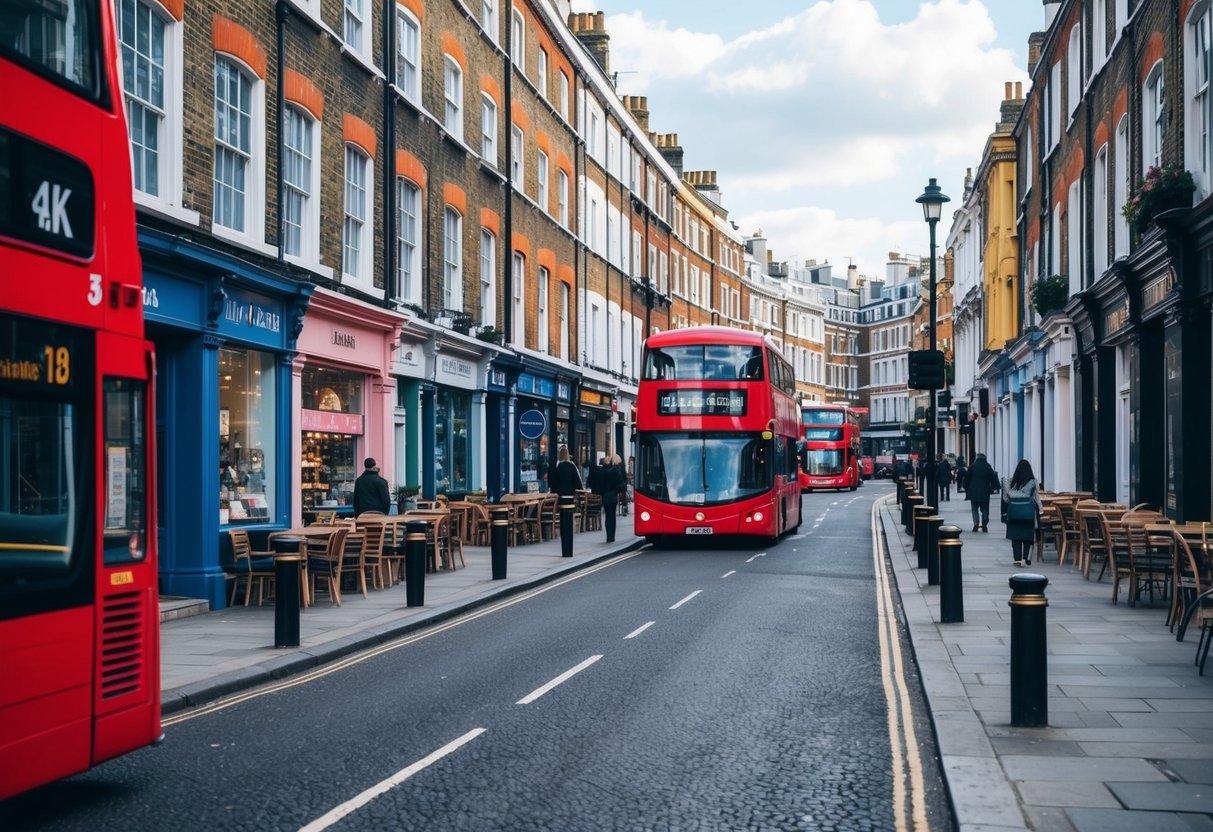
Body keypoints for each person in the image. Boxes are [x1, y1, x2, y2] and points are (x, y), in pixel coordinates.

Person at [1001, 459, 1043, 566]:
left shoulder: (1012, 482)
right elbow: (1036, 497)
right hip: (1028, 514)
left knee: (1016, 537)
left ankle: (1017, 559)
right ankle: (1025, 558)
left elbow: (1006, 499)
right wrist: (1041, 510)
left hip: (1014, 514)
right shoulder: (1033, 482)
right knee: (1027, 536)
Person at [596, 454, 627, 543]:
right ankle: (611, 536)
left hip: (605, 496)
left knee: (607, 517)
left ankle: (608, 536)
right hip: (613, 496)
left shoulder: (601, 471)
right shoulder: (615, 471)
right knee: (612, 517)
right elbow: (621, 482)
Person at [962, 452, 997, 532]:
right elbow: (993, 477)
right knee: (985, 508)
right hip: (985, 491)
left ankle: (976, 524)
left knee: (974, 509)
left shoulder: (972, 466)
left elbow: (967, 478)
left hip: (973, 491)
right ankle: (984, 521)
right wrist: (992, 488)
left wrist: (966, 487)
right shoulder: (988, 466)